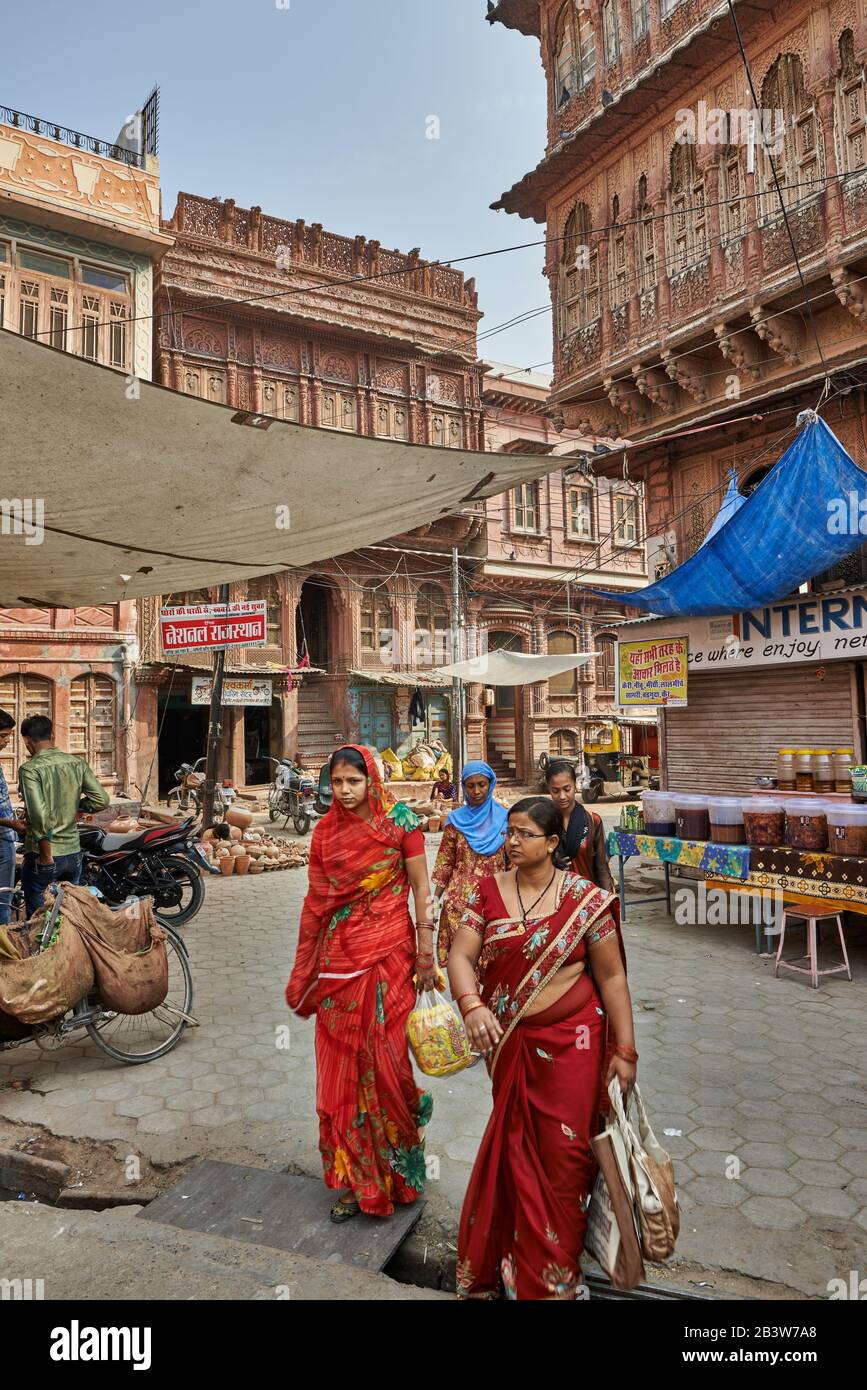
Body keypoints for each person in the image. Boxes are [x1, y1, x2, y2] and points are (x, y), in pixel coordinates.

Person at [448, 796, 636, 1301]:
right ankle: (510, 1262)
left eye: (524, 834)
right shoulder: (487, 891)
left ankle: (554, 1276)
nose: (511, 842)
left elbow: (613, 976)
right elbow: (460, 955)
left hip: (576, 1044)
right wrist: (472, 1006)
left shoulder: (585, 899)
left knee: (565, 1156)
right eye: (509, 832)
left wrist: (626, 1051)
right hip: (512, 1046)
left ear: (553, 844)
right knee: (515, 1152)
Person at [286, 745, 437, 1224]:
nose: (345, 791)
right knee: (343, 1074)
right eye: (337, 783)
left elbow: (420, 888)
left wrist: (427, 950)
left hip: (391, 957)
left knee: (390, 1067)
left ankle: (399, 1174)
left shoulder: (401, 822)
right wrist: (305, 968)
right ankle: (359, 1180)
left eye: (354, 781)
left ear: (371, 779)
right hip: (339, 966)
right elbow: (316, 902)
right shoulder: (326, 832)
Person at [17, 714, 110, 920]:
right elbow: (101, 799)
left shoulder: (29, 769)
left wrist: (45, 855)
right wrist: (75, 806)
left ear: (27, 741)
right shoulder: (76, 763)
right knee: (69, 916)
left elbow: (39, 816)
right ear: (52, 736)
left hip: (44, 853)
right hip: (73, 853)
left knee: (39, 921)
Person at [431, 760, 508, 969]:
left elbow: (515, 863)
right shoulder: (455, 822)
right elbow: (445, 864)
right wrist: (434, 902)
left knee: (495, 968)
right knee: (464, 968)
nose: (476, 791)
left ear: (491, 784)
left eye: (481, 785)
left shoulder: (506, 820)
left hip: (497, 903)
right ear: (463, 787)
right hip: (459, 905)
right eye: (470, 785)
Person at [546, 758, 614, 891]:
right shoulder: (544, 822)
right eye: (555, 791)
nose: (562, 796)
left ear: (575, 785)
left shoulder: (592, 820)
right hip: (552, 897)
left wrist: (608, 901)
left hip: (586, 896)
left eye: (567, 789)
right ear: (548, 788)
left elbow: (602, 867)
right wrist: (552, 863)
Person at [0, 711, 27, 926]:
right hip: (2, 840)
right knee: (3, 899)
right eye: (2, 735)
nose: (6, 741)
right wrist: (11, 824)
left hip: (6, 837)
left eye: (8, 736)